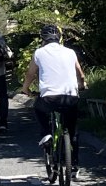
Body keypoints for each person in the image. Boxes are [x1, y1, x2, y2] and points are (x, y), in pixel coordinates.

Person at [26, 24, 85, 172]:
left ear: (43, 39)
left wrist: (25, 88)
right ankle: (74, 165)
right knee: (73, 131)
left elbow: (30, 74)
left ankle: (46, 134)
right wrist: (82, 85)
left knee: (38, 107)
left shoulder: (39, 52)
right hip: (70, 97)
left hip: (49, 98)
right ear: (59, 38)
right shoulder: (70, 52)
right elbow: (80, 74)